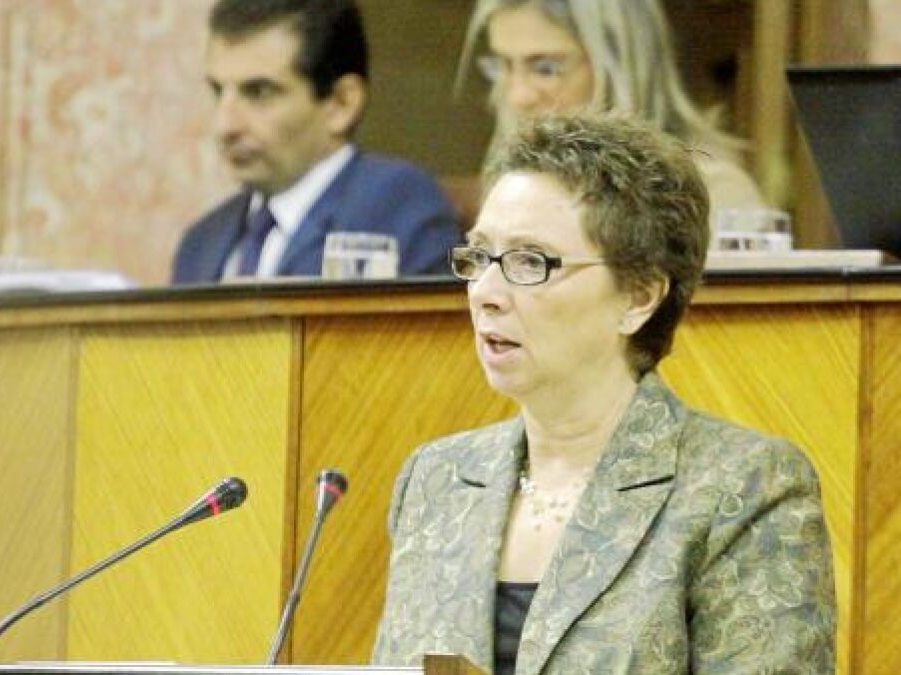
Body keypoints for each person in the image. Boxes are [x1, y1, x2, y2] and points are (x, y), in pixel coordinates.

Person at [371, 115, 835, 674]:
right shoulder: (438, 480)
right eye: (479, 256)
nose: (485, 293)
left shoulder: (742, 486)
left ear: (638, 297)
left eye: (528, 261)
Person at [171, 0, 462, 284]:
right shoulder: (200, 244)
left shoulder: (401, 211)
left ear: (341, 104)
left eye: (259, 92)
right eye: (218, 91)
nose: (225, 126)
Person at [460, 0, 765, 223]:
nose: (518, 96)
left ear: (622, 67)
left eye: (546, 68)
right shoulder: (515, 185)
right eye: (502, 66)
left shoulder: (710, 193)